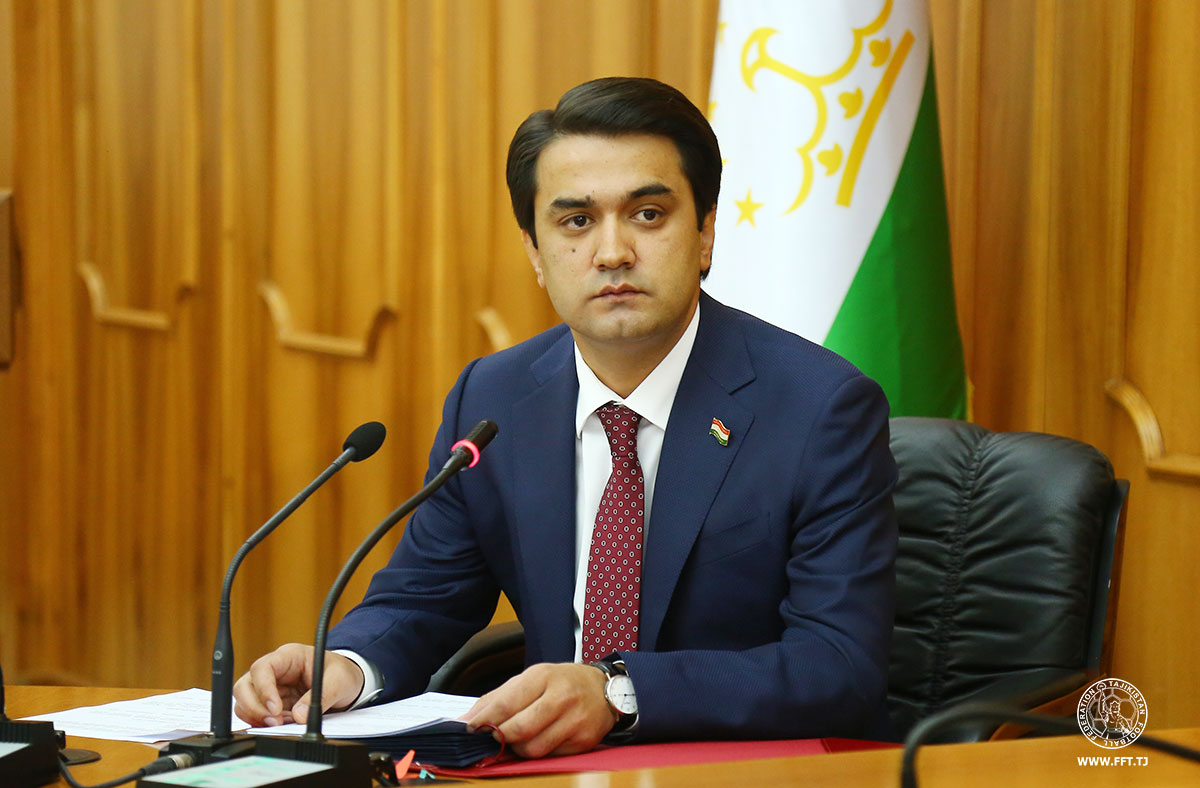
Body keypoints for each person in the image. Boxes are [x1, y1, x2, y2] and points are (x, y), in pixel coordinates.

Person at [233, 76, 898, 758]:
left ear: (704, 233)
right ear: (535, 252)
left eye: (647, 214)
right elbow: (425, 599)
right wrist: (347, 665)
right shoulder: (493, 398)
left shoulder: (819, 408)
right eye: (576, 222)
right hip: (550, 768)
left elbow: (839, 665)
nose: (612, 253)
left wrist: (617, 692)